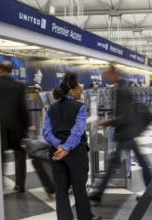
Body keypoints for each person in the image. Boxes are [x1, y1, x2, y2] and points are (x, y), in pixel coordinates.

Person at [88, 65, 152, 204]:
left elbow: (126, 116)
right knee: (130, 162)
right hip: (128, 132)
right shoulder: (122, 88)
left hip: (126, 133)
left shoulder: (122, 90)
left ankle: (98, 193)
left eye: (106, 74)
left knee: (114, 164)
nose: (104, 77)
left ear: (113, 74)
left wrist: (108, 122)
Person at [42, 72, 101, 220]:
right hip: (76, 152)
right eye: (80, 89)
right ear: (72, 91)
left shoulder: (51, 108)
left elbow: (46, 132)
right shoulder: (79, 107)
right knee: (79, 189)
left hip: (55, 153)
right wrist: (67, 148)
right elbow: (77, 130)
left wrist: (59, 145)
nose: (81, 91)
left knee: (61, 191)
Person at [0, 61, 34, 193]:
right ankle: (20, 185)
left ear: (0, 69)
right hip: (17, 128)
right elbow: (23, 107)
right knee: (20, 156)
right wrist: (28, 124)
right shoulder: (19, 86)